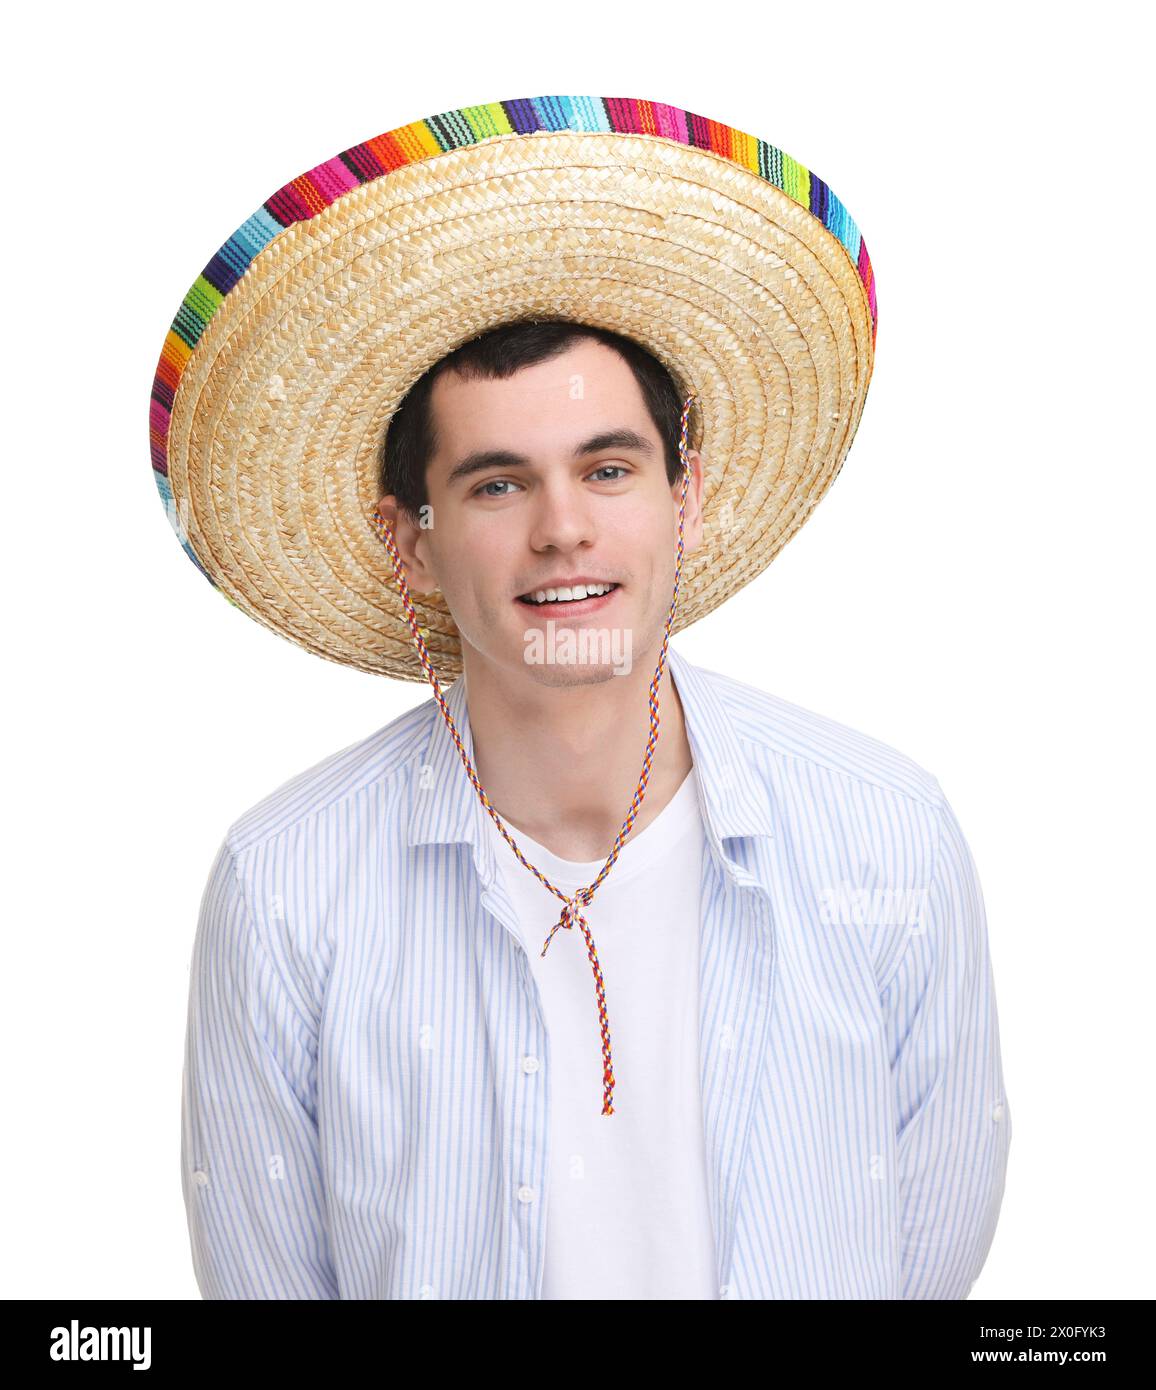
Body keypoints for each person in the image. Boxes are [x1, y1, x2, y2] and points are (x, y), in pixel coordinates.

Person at [154, 96, 1011, 1300]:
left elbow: (930, 1240)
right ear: (410, 542)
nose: (563, 530)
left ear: (686, 496)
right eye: (498, 485)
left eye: (608, 469)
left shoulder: (884, 832)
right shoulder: (288, 883)